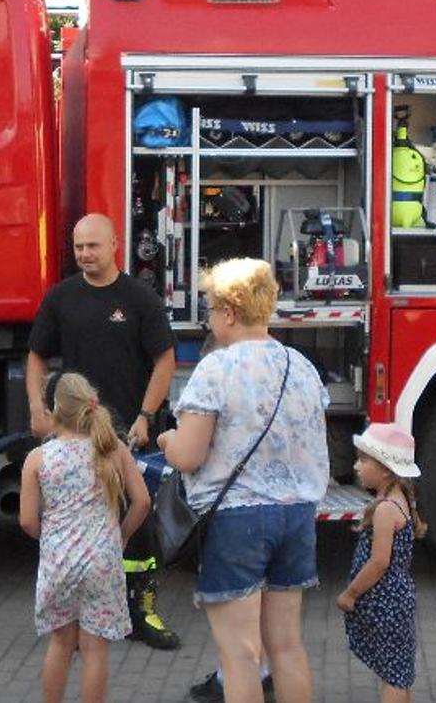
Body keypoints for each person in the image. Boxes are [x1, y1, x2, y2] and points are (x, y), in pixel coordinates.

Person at [157, 258, 329, 703]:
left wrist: (166, 440)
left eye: (211, 310)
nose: (210, 320)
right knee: (286, 647)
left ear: (230, 312)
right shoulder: (302, 367)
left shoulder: (217, 369)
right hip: (297, 516)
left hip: (238, 521)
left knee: (240, 654)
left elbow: (190, 456)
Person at [27, 213, 181, 650]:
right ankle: (76, 614)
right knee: (77, 519)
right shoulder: (61, 298)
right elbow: (37, 355)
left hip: (124, 432)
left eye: (92, 246)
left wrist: (147, 416)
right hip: (73, 434)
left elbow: (165, 360)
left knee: (139, 520)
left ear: (115, 244)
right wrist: (38, 408)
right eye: (78, 247)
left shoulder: (139, 299)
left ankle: (143, 611)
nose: (84, 255)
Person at [20, 373, 151, 703]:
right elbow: (143, 502)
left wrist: (47, 536)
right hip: (103, 562)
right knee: (95, 651)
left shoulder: (38, 459)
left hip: (59, 562)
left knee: (61, 643)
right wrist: (119, 537)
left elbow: (26, 520)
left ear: (53, 410)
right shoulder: (112, 448)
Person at [337, 424, 426, 703]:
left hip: (383, 599)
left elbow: (379, 562)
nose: (356, 466)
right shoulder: (400, 499)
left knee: (394, 676)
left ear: (386, 469)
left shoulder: (386, 510)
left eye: (363, 460)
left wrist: (351, 593)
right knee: (398, 670)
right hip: (397, 597)